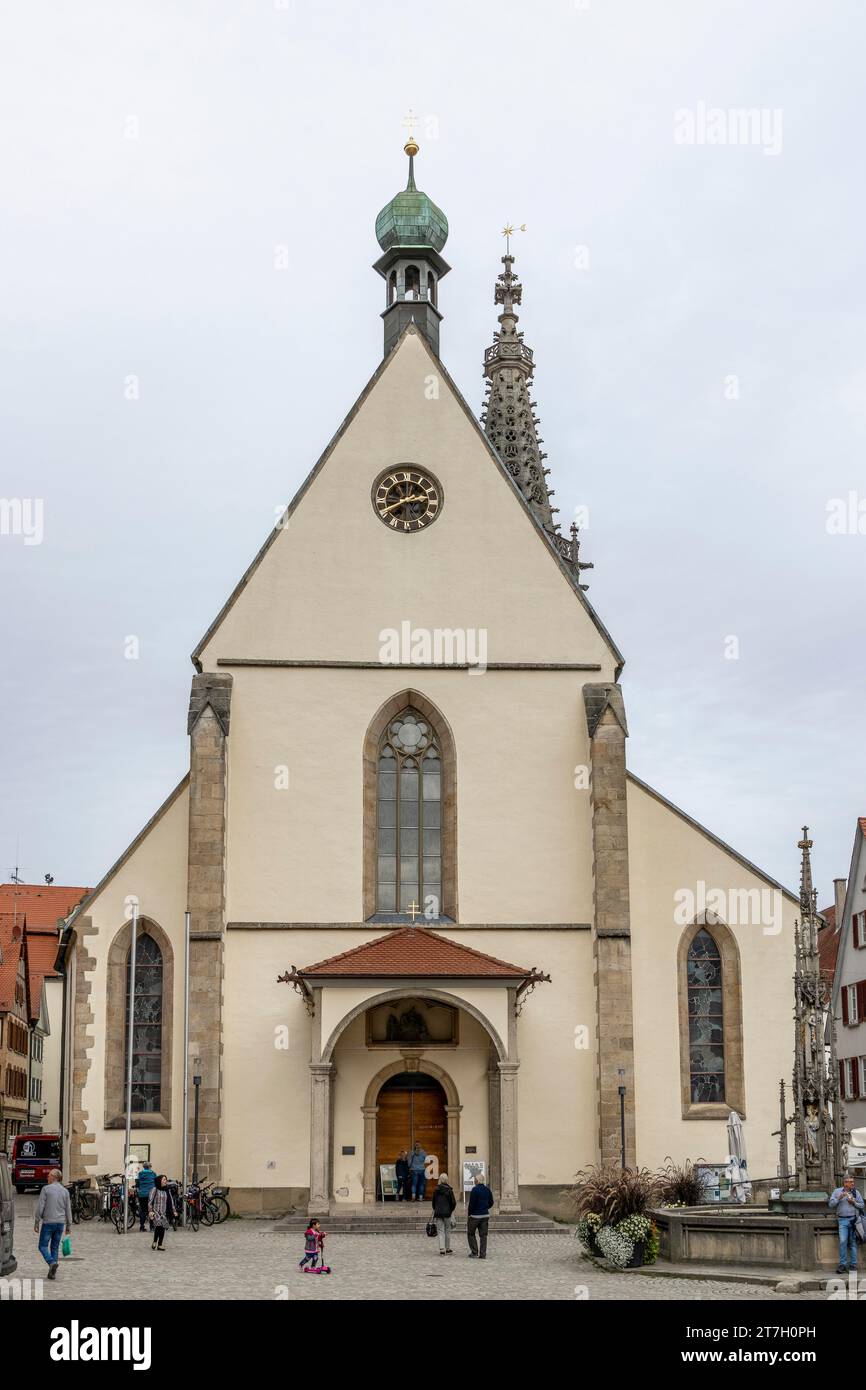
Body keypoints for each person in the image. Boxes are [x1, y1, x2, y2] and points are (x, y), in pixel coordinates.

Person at [34, 1168, 72, 1281]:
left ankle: (51, 1263)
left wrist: (37, 1221)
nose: (47, 1177)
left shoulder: (46, 1189)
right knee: (54, 1247)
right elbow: (68, 1209)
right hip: (60, 1224)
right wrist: (69, 1225)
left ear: (54, 1177)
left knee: (42, 1246)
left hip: (48, 1223)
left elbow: (40, 1207)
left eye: (49, 1175)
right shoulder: (65, 1191)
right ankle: (52, 1273)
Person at [829, 1174, 865, 1275]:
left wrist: (854, 1203)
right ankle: (842, 1265)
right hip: (842, 1220)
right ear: (845, 1183)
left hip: (854, 1220)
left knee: (853, 1243)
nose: (853, 1183)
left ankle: (853, 1265)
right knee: (843, 1241)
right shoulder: (837, 1191)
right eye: (850, 1182)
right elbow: (831, 1204)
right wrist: (839, 1198)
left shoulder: (856, 1192)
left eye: (853, 1181)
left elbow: (862, 1205)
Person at [467, 1171, 495, 1259]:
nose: (474, 1181)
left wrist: (469, 1214)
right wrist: (485, 1207)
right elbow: (491, 1202)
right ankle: (483, 1254)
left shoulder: (475, 1190)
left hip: (475, 1216)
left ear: (477, 1180)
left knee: (471, 1233)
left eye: (475, 1179)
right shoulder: (487, 1189)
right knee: (483, 1235)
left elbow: (471, 1204)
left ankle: (474, 1252)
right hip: (485, 1215)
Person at [147, 1174, 176, 1251]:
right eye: (163, 1179)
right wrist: (150, 1211)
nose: (165, 1181)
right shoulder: (154, 1189)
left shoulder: (167, 1190)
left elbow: (171, 1201)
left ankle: (159, 1244)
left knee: (162, 1227)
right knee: (159, 1226)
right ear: (159, 1181)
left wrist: (174, 1210)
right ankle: (155, 1242)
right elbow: (150, 1201)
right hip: (156, 1212)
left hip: (164, 1212)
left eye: (166, 1179)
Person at [431, 1173, 456, 1255]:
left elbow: (433, 1202)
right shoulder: (449, 1190)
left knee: (440, 1230)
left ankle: (442, 1248)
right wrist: (450, 1210)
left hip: (438, 1213)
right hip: (447, 1213)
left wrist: (436, 1209)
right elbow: (453, 1203)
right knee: (447, 1230)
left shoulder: (436, 1190)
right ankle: (448, 1248)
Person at [136, 1161, 156, 1232]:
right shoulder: (153, 1174)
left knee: (143, 1210)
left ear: (143, 1167)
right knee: (151, 1210)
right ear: (150, 1166)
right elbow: (156, 1183)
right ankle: (152, 1227)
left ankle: (142, 1227)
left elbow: (137, 1184)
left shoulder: (140, 1174)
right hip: (151, 1194)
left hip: (142, 1194)